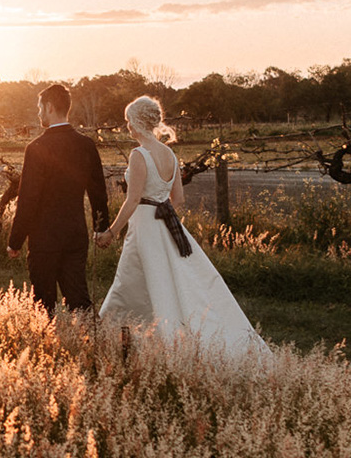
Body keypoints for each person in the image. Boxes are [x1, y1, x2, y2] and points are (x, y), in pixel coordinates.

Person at [95, 95, 269, 361]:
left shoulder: (139, 154)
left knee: (130, 280)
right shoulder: (170, 154)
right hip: (164, 225)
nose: (126, 126)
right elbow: (178, 199)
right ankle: (134, 341)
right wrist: (162, 214)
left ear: (138, 122)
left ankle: (124, 338)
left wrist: (112, 231)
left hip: (144, 227)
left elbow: (132, 199)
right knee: (164, 281)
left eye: (128, 120)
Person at [6, 83, 110, 314]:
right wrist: (101, 227)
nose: (39, 113)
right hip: (76, 234)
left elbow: (28, 198)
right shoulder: (86, 145)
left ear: (50, 107)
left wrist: (15, 240)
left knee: (44, 303)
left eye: (40, 108)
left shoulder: (37, 148)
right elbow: (98, 191)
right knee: (78, 298)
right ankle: (89, 343)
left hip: (44, 238)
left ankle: (49, 346)